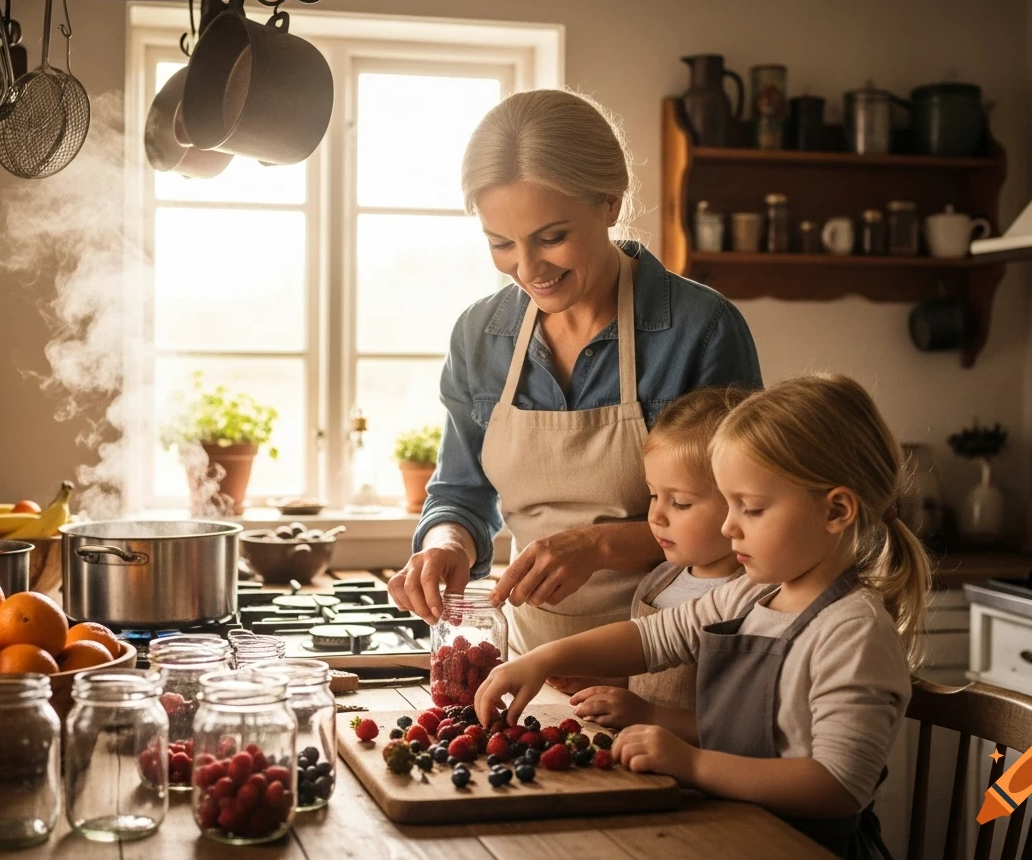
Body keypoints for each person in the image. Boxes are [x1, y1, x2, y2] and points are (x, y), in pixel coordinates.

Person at [474, 374, 932, 860]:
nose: (729, 525)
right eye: (729, 504)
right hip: (727, 830)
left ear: (836, 510)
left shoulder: (854, 631)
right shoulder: (754, 593)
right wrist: (544, 659)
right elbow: (652, 638)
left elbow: (837, 785)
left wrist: (693, 764)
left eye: (751, 509)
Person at [386, 88, 761, 657]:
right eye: (501, 244)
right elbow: (461, 494)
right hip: (532, 666)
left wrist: (600, 546)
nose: (528, 268)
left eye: (552, 238)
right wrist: (446, 544)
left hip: (676, 661)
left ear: (609, 203)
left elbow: (746, 515)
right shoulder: (480, 337)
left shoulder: (702, 329)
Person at [569, 385, 748, 729]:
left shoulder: (753, 598)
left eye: (679, 502)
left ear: (741, 502)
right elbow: (646, 677)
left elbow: (743, 729)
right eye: (653, 495)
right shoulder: (658, 581)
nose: (656, 516)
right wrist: (605, 686)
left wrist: (651, 717)